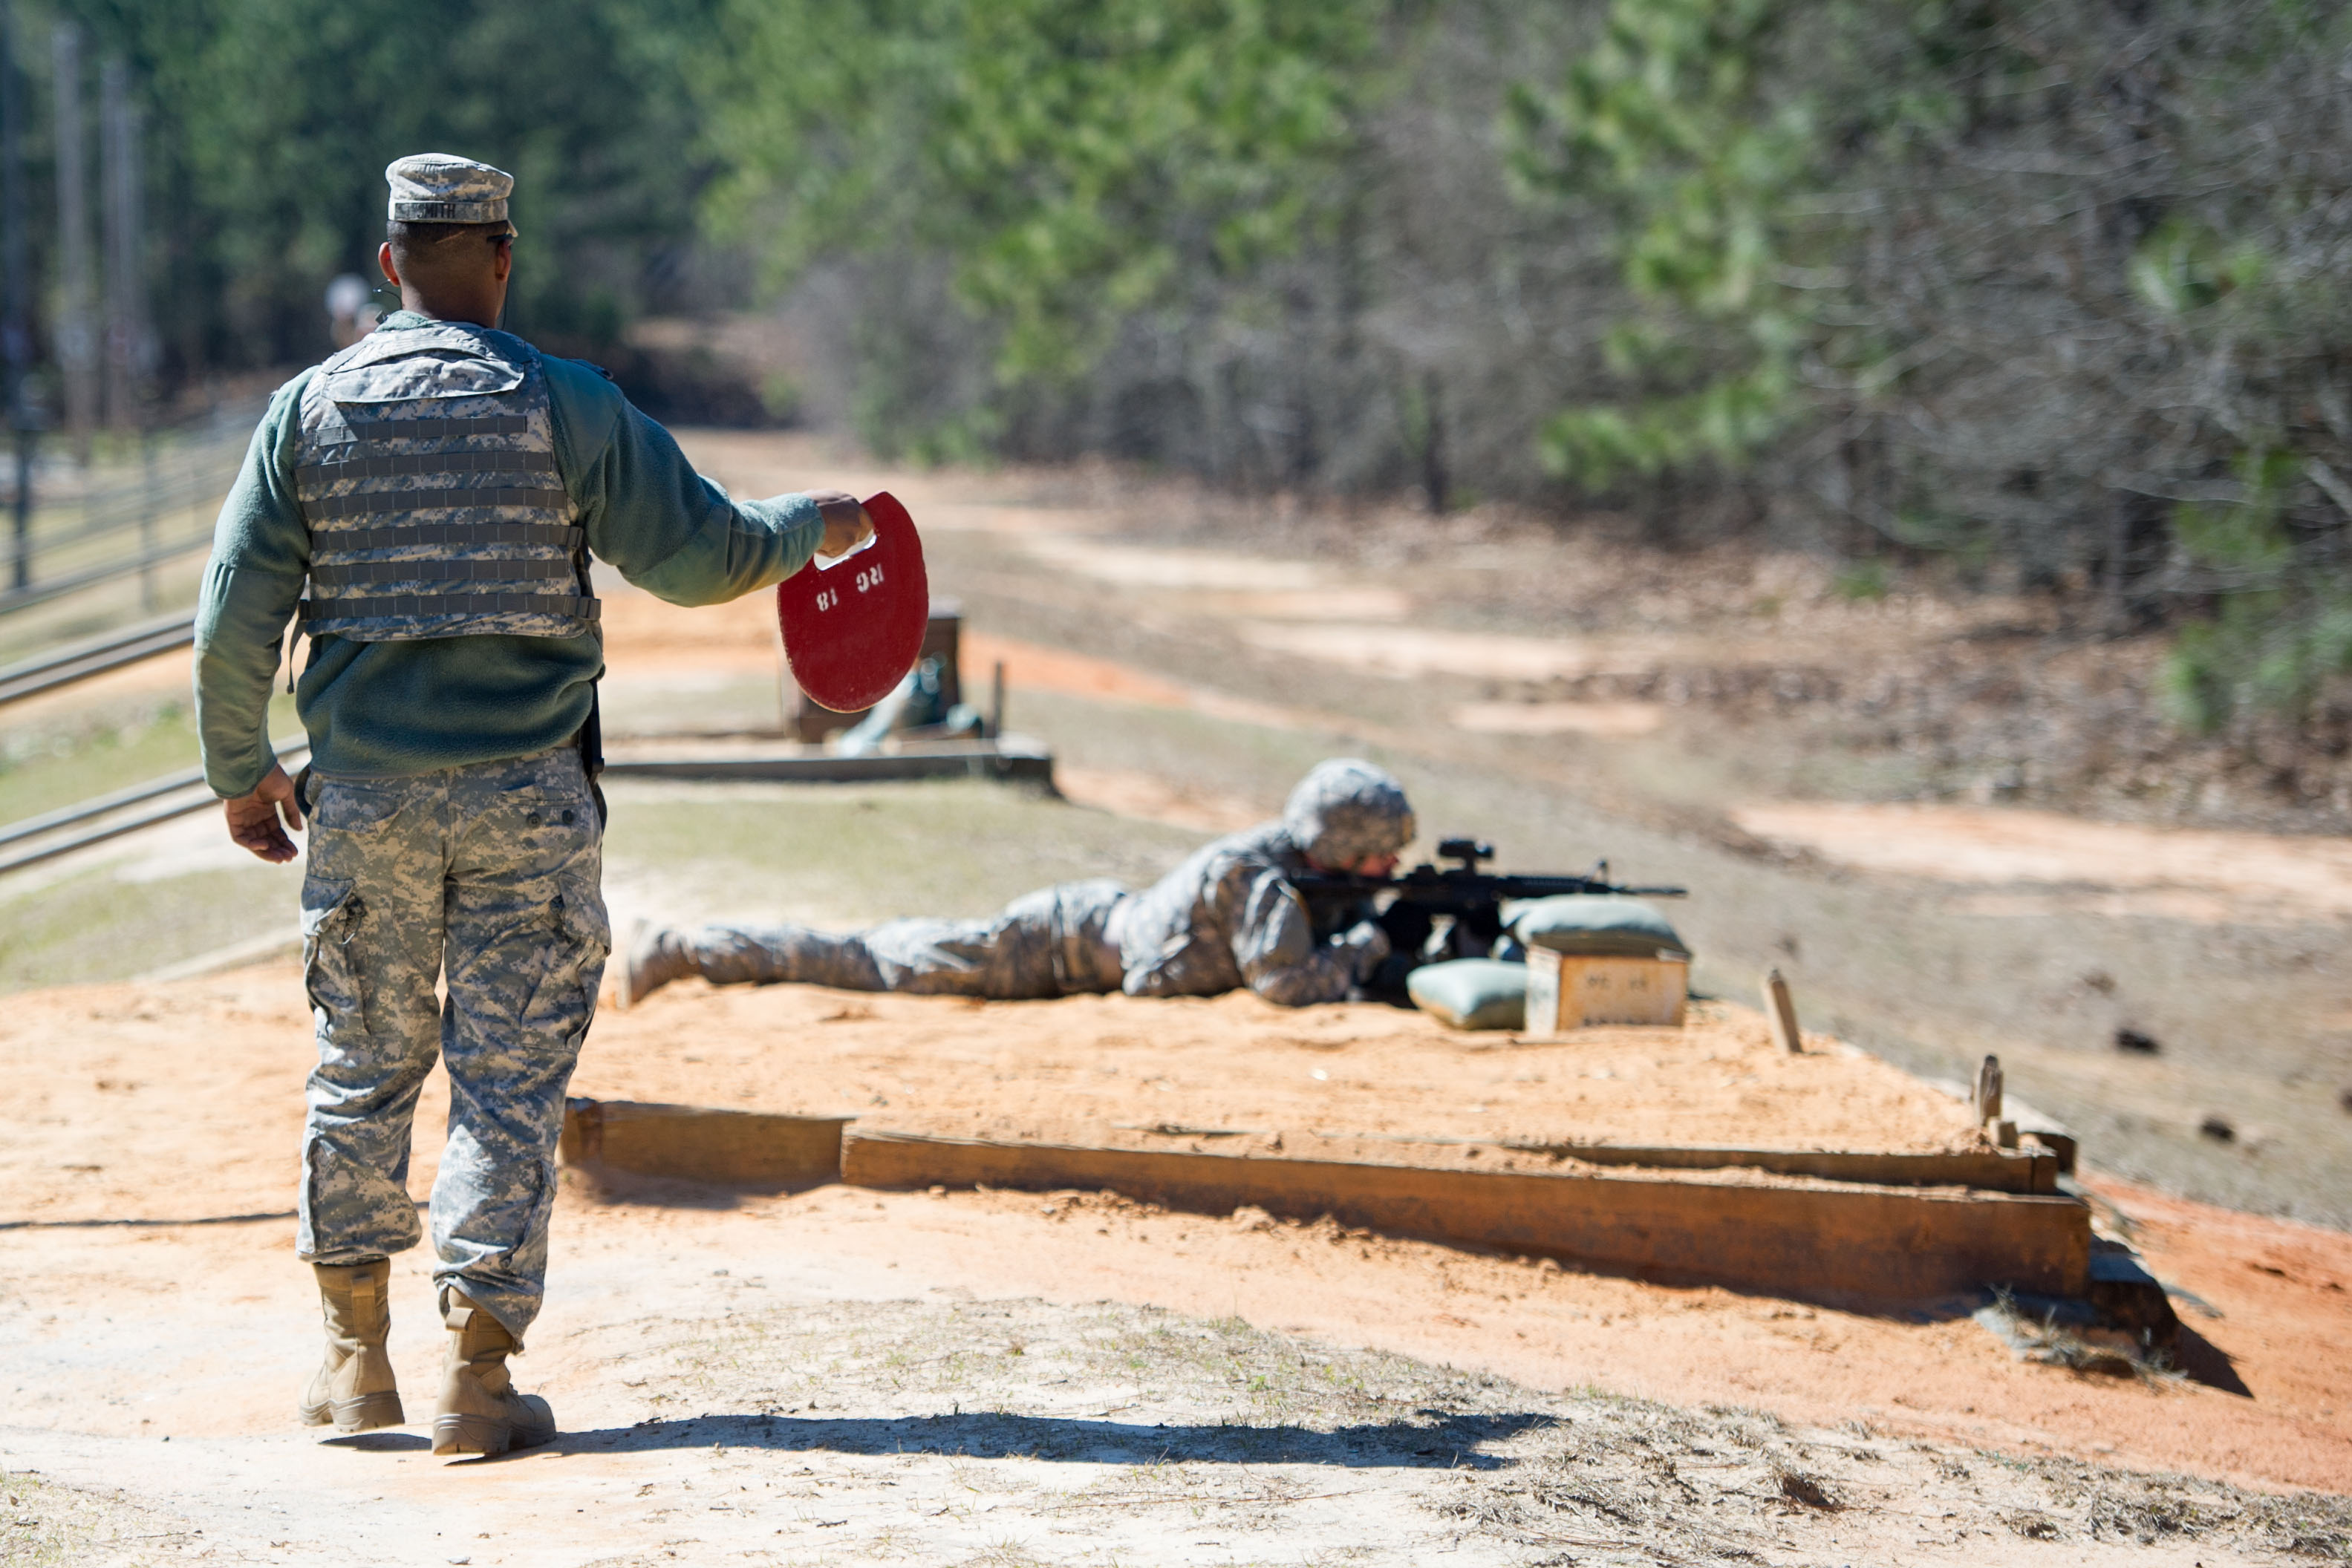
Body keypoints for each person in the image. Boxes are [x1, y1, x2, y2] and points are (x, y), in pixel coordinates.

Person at [192, 154, 874, 1458]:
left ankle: (352, 1363)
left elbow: (234, 619)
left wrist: (241, 772)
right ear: (503, 258)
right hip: (531, 799)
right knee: (506, 1086)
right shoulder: (568, 404)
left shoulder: (306, 412)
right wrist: (816, 524)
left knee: (361, 1064)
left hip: (367, 802)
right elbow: (706, 556)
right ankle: (478, 1375)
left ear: (389, 264)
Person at [616, 757, 1416, 1009]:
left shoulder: (1285, 869)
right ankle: (685, 949)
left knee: (880, 952)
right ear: (1342, 843)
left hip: (1075, 933)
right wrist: (1372, 946)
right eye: (1380, 854)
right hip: (1046, 948)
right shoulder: (1257, 877)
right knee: (871, 961)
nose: (1388, 869)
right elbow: (1283, 982)